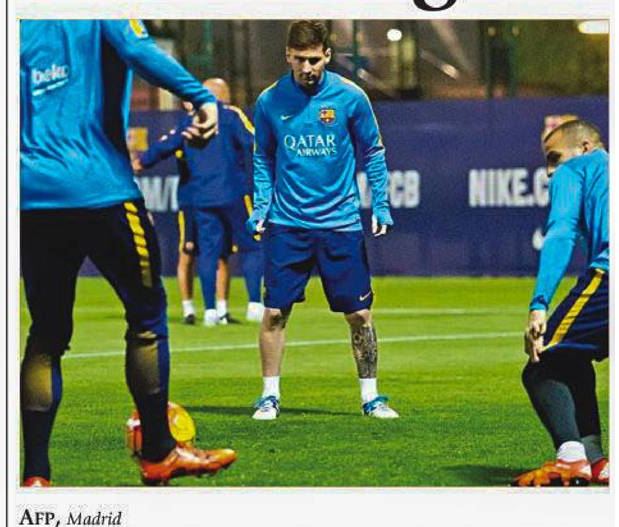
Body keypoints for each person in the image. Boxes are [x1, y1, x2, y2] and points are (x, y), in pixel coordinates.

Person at [20, 20, 236, 487]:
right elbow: (139, 51)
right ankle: (159, 452)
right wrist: (201, 97)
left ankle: (35, 476)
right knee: (147, 318)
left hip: (29, 198)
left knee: (47, 335)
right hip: (102, 189)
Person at [246, 20, 398, 420]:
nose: (307, 67)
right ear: (287, 56)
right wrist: (261, 207)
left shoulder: (350, 97)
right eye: (300, 59)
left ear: (328, 55)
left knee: (359, 315)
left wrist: (380, 204)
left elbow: (374, 150)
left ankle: (371, 397)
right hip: (287, 224)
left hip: (340, 224)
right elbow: (262, 158)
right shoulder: (269, 101)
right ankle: (269, 396)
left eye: (314, 59)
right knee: (274, 313)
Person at [513, 120, 609, 487]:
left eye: (555, 158)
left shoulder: (577, 168)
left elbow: (562, 231)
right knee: (572, 357)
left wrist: (539, 303)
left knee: (543, 363)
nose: (551, 171)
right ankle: (596, 461)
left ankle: (570, 459)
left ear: (584, 147)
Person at [136, 78, 264, 327]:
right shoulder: (230, 115)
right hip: (233, 193)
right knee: (251, 246)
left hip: (202, 198)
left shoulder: (190, 120)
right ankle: (254, 304)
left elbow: (167, 144)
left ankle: (210, 311)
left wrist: (143, 161)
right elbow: (253, 141)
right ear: (222, 94)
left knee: (208, 253)